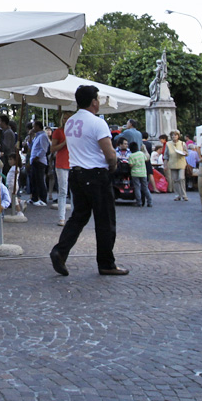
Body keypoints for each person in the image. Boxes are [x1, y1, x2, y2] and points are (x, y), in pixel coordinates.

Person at [50, 85, 128, 277]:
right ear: (94, 102)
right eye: (98, 99)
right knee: (105, 220)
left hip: (76, 173)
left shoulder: (70, 122)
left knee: (78, 217)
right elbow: (109, 154)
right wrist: (113, 166)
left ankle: (60, 251)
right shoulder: (97, 123)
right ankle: (106, 263)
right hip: (96, 174)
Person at [51, 111, 72, 226]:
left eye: (68, 118)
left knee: (74, 191)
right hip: (62, 163)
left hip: (74, 163)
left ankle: (74, 217)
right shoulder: (58, 132)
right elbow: (52, 149)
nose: (66, 120)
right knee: (63, 190)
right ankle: (61, 217)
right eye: (65, 118)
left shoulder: (76, 132)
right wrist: (64, 143)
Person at [28, 121, 49, 206]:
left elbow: (43, 149)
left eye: (34, 126)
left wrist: (36, 157)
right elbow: (30, 146)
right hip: (34, 160)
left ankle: (43, 198)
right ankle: (34, 197)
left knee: (40, 180)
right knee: (34, 180)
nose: (33, 128)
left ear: (37, 126)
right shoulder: (37, 136)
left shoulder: (43, 136)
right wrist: (30, 136)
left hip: (39, 161)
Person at [166, 130, 189, 202]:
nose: (174, 136)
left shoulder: (182, 143)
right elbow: (166, 155)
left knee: (181, 178)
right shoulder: (168, 144)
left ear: (178, 136)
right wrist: (165, 164)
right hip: (172, 163)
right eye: (172, 135)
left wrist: (184, 153)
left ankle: (184, 195)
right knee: (175, 180)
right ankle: (177, 195)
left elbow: (187, 153)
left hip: (181, 163)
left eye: (175, 135)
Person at [128, 141, 152, 207]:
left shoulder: (131, 156)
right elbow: (146, 159)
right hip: (143, 173)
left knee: (137, 187)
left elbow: (130, 164)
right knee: (145, 188)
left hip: (135, 173)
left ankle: (139, 202)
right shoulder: (141, 154)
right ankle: (149, 201)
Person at [5, 152, 26, 218]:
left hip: (12, 185)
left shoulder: (15, 168)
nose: (9, 161)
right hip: (11, 185)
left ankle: (19, 211)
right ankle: (21, 202)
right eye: (9, 159)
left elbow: (16, 172)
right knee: (13, 198)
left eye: (11, 159)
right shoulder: (13, 167)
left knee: (13, 199)